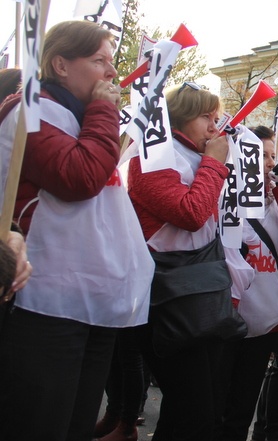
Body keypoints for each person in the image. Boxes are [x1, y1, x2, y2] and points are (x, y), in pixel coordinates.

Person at [0, 20, 154, 441]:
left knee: (75, 424)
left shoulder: (79, 116)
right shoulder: (28, 111)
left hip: (92, 302)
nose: (111, 73)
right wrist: (105, 111)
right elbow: (79, 178)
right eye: (98, 60)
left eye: (112, 61)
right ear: (60, 65)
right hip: (45, 302)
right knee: (40, 423)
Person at [124, 81, 235, 441]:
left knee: (193, 410)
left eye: (216, 118)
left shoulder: (192, 156)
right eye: (207, 116)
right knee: (194, 413)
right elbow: (190, 213)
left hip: (197, 292)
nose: (214, 127)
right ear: (182, 116)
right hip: (167, 299)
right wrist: (215, 165)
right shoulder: (154, 154)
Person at [218, 125, 278, 441]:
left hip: (262, 322)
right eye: (262, 155)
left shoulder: (275, 201)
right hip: (223, 319)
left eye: (273, 156)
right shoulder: (222, 194)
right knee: (212, 409)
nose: (271, 163)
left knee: (240, 409)